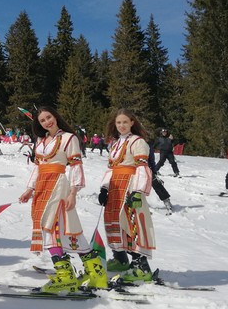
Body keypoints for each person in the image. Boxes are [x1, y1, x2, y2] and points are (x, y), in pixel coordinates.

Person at [18, 106, 106, 292]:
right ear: (38, 124)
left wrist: (73, 192)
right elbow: (37, 168)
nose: (47, 122)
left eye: (49, 117)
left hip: (58, 185)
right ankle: (96, 273)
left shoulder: (68, 138)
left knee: (50, 226)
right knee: (66, 229)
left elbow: (75, 166)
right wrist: (29, 189)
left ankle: (65, 277)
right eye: (42, 120)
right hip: (42, 187)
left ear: (55, 116)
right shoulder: (40, 141)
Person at [98, 109, 156, 283]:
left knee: (132, 225)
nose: (121, 125)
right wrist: (104, 188)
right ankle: (120, 258)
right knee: (114, 222)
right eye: (118, 123)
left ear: (132, 122)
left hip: (129, 187)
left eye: (125, 122)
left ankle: (141, 267)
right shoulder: (115, 144)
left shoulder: (137, 142)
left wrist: (138, 191)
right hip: (115, 186)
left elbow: (142, 168)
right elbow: (111, 168)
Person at [147, 142, 174, 214]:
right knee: (136, 187)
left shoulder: (148, 145)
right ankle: (141, 205)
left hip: (147, 168)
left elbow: (151, 159)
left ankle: (167, 201)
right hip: (133, 169)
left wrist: (154, 170)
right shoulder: (130, 142)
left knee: (156, 183)